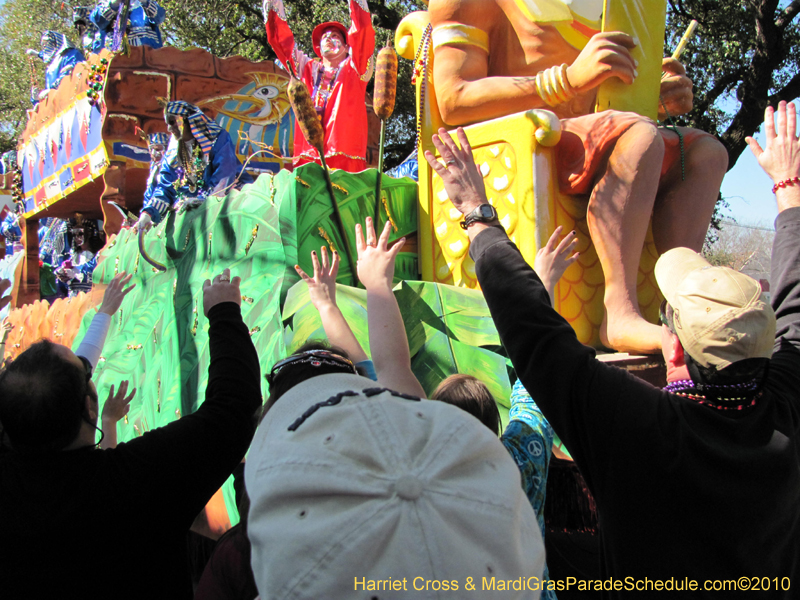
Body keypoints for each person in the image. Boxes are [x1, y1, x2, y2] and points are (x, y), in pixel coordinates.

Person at [425, 102, 800, 596]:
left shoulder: (641, 428)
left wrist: (476, 211)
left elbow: (535, 333)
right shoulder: (785, 407)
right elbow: (796, 304)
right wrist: (788, 191)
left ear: (674, 351)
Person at [428, 0, 730, 354]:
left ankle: (681, 304)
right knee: (639, 136)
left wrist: (651, 91)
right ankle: (619, 312)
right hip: (529, 142)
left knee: (706, 153)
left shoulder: (616, 9)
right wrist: (566, 80)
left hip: (600, 135)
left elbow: (605, 102)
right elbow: (454, 97)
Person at [0, 267, 261, 599]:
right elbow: (233, 410)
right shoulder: (132, 484)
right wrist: (224, 314)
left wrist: (104, 314)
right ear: (90, 408)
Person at [264, 0, 375, 172]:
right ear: (318, 48)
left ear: (347, 47)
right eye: (324, 37)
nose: (328, 39)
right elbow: (280, 41)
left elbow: (362, 32)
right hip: (308, 159)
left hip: (345, 159)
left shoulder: (355, 68)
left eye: (335, 36)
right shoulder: (305, 68)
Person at [137, 101, 253, 230]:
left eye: (173, 122)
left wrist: (202, 200)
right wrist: (148, 213)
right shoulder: (173, 151)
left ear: (188, 120)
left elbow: (224, 177)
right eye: (167, 124)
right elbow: (165, 187)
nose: (169, 129)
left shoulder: (216, 138)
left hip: (230, 205)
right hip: (192, 215)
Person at [26, 31, 86, 101]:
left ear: (56, 41)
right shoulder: (51, 65)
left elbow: (72, 73)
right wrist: (36, 99)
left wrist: (52, 90)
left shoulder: (71, 54)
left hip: (76, 99)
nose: (45, 46)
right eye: (43, 44)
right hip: (58, 103)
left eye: (47, 43)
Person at [54, 217, 104, 297]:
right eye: (74, 234)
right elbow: (67, 285)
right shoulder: (73, 256)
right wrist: (63, 276)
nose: (77, 238)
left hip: (90, 296)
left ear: (89, 233)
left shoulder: (97, 256)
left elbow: (100, 277)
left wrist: (77, 275)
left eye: (80, 234)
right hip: (73, 298)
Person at [90, 0, 166, 51]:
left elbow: (160, 17)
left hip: (147, 61)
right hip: (116, 61)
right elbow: (99, 21)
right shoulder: (105, 4)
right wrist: (115, 3)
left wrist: (145, 2)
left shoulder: (147, 4)